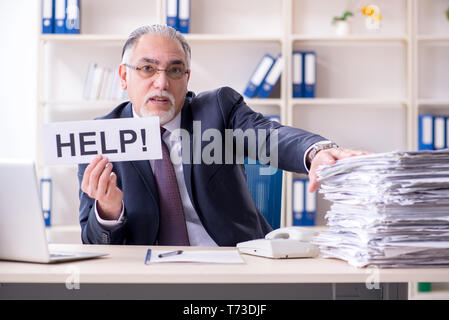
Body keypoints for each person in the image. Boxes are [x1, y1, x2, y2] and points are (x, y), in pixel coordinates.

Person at [78, 24, 367, 246]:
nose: (162, 82)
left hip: (234, 266)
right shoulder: (100, 138)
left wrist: (316, 151)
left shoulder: (217, 110)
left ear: (187, 78)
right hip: (150, 280)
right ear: (124, 76)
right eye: (147, 68)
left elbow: (268, 136)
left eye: (175, 70)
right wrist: (109, 210)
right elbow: (93, 242)